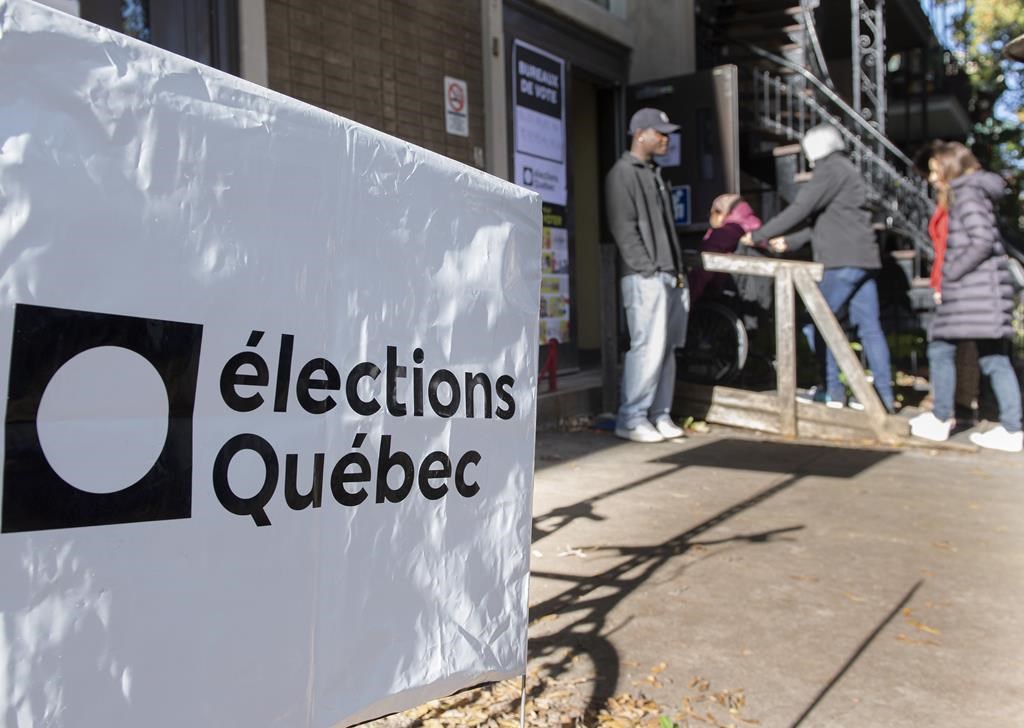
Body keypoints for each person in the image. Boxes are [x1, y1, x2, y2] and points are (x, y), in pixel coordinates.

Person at [740, 123, 895, 412]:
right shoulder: (847, 170)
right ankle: (883, 398)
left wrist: (759, 235)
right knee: (870, 328)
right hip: (864, 260)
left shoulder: (830, 171)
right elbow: (827, 223)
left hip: (841, 262)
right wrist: (790, 240)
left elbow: (801, 209)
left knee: (817, 324)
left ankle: (832, 391)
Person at [909, 142, 1022, 452]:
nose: (932, 178)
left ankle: (941, 417)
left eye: (935, 170)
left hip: (972, 291)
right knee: (993, 357)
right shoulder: (971, 192)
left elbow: (982, 239)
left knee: (942, 348)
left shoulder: (967, 194)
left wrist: (950, 274)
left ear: (949, 167)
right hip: (979, 292)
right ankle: (1012, 429)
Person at [605, 108, 688, 443]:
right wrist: (648, 269)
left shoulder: (654, 173)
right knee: (647, 348)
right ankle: (632, 417)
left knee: (666, 349)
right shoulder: (622, 174)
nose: (666, 139)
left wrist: (676, 272)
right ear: (640, 133)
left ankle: (659, 414)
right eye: (660, 133)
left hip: (669, 275)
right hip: (646, 277)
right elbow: (623, 228)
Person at [688, 194, 762, 306]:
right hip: (755, 290)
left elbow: (705, 261)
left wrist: (690, 296)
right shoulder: (752, 225)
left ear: (720, 213)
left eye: (712, 214)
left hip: (735, 292)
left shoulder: (727, 231)